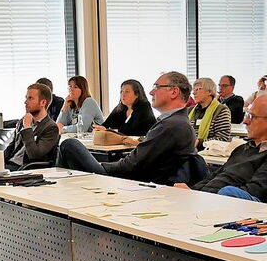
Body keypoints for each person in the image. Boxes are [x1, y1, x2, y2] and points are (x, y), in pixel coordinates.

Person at [56, 71, 197, 185]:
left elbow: (134, 163)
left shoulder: (171, 125)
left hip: (130, 180)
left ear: (174, 92)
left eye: (157, 87)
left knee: (69, 145)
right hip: (131, 174)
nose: (151, 92)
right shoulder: (175, 122)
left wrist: (102, 166)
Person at [175, 92, 267, 205]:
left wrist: (203, 199)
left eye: (251, 116)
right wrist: (192, 192)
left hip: (229, 207)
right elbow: (214, 178)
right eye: (246, 114)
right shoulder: (243, 148)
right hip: (208, 201)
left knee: (228, 192)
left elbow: (252, 193)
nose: (245, 121)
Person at [4, 83, 60, 171]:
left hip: (24, 168)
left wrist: (27, 128)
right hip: (9, 165)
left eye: (30, 98)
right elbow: (10, 148)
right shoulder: (22, 121)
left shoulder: (51, 127)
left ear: (43, 102)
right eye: (26, 98)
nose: (25, 102)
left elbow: (34, 155)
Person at [189, 77, 231, 150]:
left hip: (208, 152)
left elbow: (222, 139)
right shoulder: (190, 110)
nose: (194, 93)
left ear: (209, 92)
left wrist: (199, 143)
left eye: (198, 89)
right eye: (194, 90)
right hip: (190, 150)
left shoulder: (221, 110)